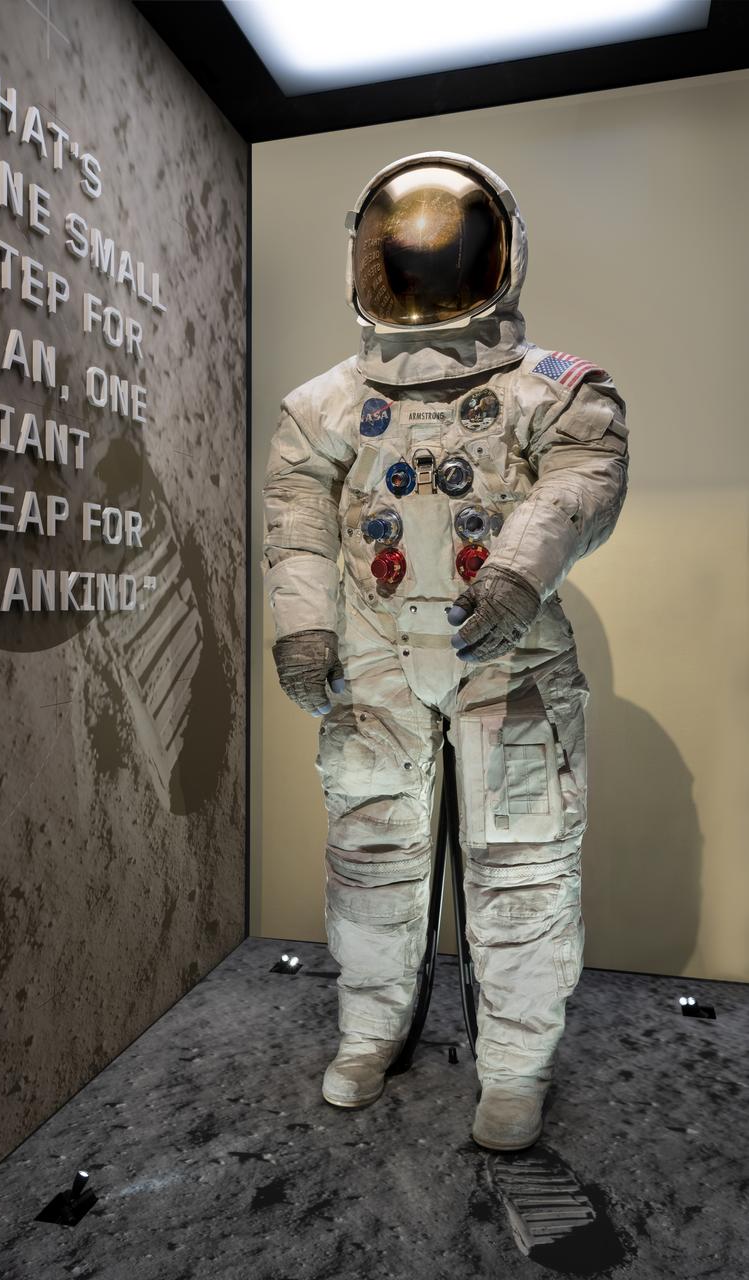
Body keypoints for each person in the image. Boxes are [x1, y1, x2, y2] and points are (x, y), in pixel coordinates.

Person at [262, 152, 628, 1150]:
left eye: (444, 254)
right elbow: (295, 523)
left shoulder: (552, 389)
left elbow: (584, 478)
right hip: (372, 660)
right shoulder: (324, 405)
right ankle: (369, 1028)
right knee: (370, 857)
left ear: (497, 256)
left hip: (510, 657)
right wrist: (302, 625)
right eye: (401, 257)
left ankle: (514, 1066)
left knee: (521, 866)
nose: (422, 276)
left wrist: (514, 572)